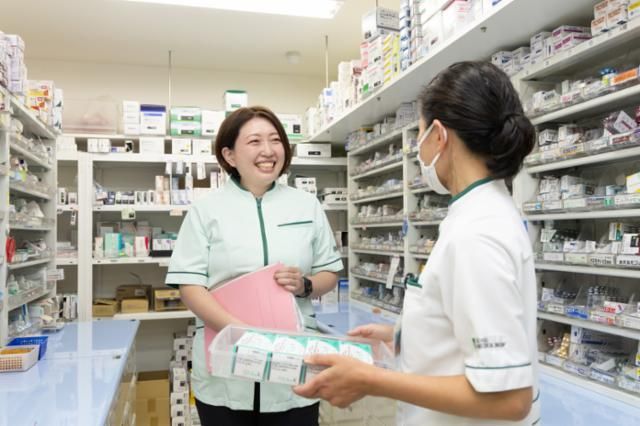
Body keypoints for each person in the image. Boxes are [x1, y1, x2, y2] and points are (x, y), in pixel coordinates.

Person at [294, 61, 540, 425]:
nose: (418, 150)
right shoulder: (479, 213)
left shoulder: (477, 234)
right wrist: (408, 336)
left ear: (439, 136)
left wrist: (370, 380)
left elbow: (509, 398)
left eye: (419, 135)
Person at [165, 106, 343, 426]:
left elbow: (329, 272)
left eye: (275, 140)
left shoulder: (306, 206)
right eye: (255, 141)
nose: (268, 150)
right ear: (229, 155)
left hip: (291, 361)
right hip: (225, 363)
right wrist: (240, 332)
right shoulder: (206, 211)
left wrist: (306, 284)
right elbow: (190, 286)